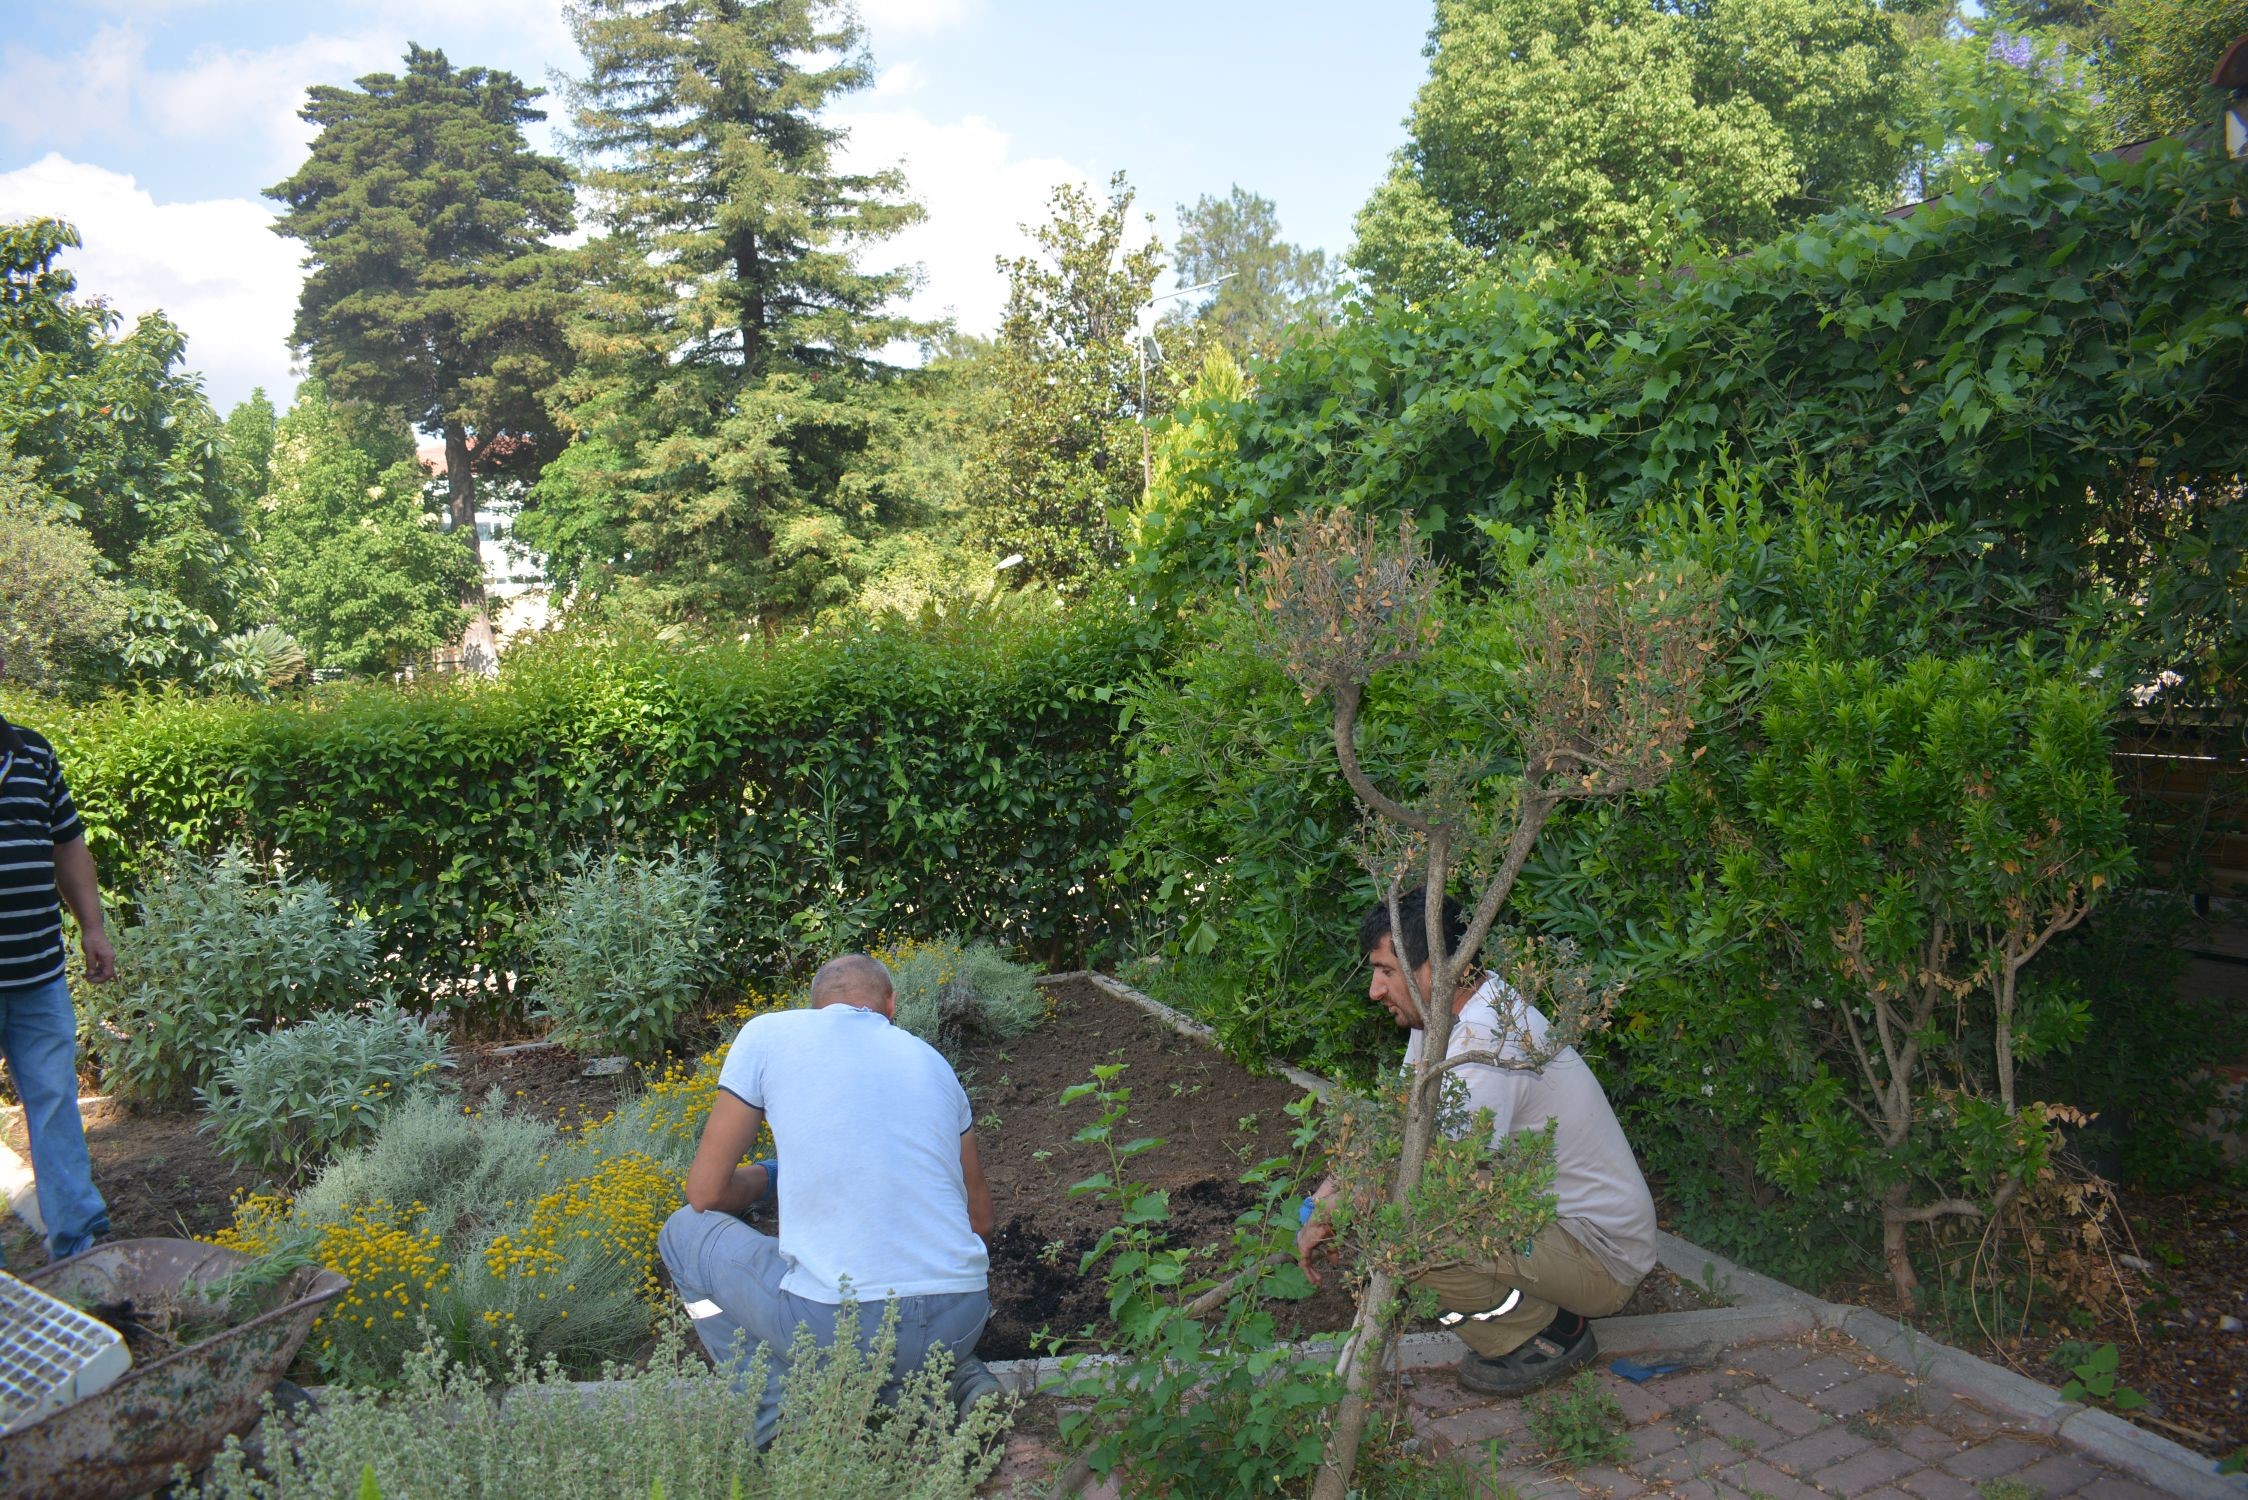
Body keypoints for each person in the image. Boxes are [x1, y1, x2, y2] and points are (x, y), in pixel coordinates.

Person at [1295, 887, 1656, 1396]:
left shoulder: (1485, 1041)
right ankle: (1533, 1309)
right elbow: (1397, 1130)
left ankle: (1547, 1336)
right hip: (1557, 1230)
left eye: (1386, 971)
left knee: (1411, 1231)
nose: (1375, 990)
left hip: (1601, 1259)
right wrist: (1323, 1201)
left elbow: (1435, 1182)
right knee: (1395, 1211)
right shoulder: (1444, 1014)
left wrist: (1342, 1213)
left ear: (1439, 969)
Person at [659, 952, 1000, 1444]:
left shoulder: (768, 1035)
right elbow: (981, 1221)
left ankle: (780, 1428)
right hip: (963, 1316)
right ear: (891, 1005)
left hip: (838, 1328)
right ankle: (958, 1380)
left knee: (683, 1232)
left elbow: (704, 1193)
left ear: (815, 1006)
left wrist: (765, 1179)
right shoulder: (934, 1062)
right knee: (906, 1329)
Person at [0, 676, 115, 1269]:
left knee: (55, 1105)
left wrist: (91, 926)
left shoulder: (33, 753)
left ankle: (78, 1243)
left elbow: (67, 845)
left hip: (37, 973)